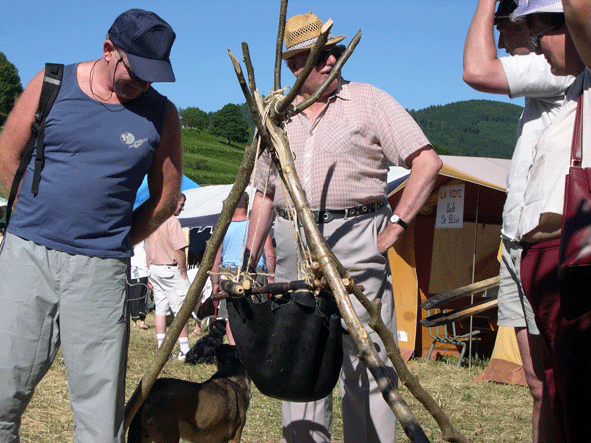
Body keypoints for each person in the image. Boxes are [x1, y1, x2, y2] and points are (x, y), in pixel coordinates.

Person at [245, 12, 442, 443]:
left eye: (334, 52)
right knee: (300, 352)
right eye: (320, 56)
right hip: (294, 239)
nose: (332, 60)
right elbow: (262, 191)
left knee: (366, 355)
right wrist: (249, 256)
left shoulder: (368, 100)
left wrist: (395, 227)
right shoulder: (277, 114)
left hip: (356, 238)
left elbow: (427, 162)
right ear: (296, 66)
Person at [0, 8, 182, 442]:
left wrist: (115, 237)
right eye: (136, 72)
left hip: (101, 269)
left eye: (154, 75)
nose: (144, 84)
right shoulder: (51, 83)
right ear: (107, 50)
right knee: (3, 392)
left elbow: (165, 197)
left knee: (101, 419)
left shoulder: (161, 114)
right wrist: (33, 220)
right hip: (28, 256)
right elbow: (8, 156)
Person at [462, 1, 574, 441]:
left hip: (549, 241)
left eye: (507, 25)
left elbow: (476, 70)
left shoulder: (558, 68)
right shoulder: (544, 74)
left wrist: (485, 1)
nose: (499, 37)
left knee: (557, 382)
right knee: (538, 385)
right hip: (520, 238)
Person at [510, 0, 588, 441]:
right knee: (562, 397)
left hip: (574, 264)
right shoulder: (576, 85)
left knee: (579, 399)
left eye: (539, 34)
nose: (536, 48)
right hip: (550, 264)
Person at [210, 192, 276, 344]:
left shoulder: (222, 227)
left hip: (228, 274)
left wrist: (215, 283)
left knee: (231, 316)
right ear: (247, 205)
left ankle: (234, 348)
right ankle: (255, 347)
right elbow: (270, 255)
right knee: (257, 311)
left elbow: (216, 257)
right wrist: (271, 277)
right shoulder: (256, 225)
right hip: (255, 273)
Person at [144, 193, 192, 360]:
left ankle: (161, 349)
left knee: (160, 309)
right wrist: (183, 272)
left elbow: (147, 249)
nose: (182, 207)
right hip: (170, 269)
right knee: (182, 310)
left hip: (155, 269)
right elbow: (179, 250)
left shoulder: (153, 220)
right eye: (181, 204)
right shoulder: (172, 221)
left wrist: (149, 272)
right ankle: (184, 349)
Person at [129, 241, 150, 329]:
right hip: (141, 270)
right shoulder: (143, 241)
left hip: (134, 270)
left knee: (134, 297)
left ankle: (135, 322)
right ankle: (141, 322)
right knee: (142, 297)